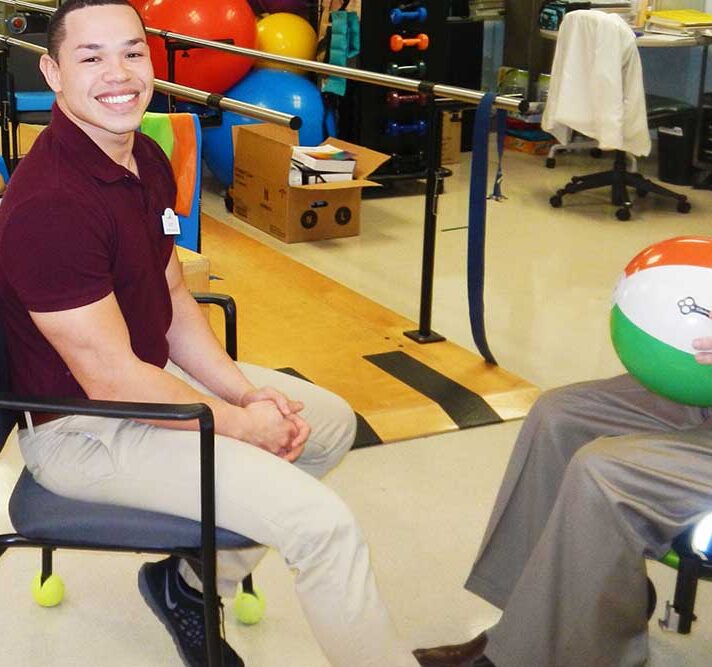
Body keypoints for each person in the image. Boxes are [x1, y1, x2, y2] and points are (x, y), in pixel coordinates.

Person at [0, 2, 419, 666]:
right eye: (91, 56)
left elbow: (171, 297)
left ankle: (192, 584)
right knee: (323, 527)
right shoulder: (51, 203)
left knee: (327, 421)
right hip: (84, 428)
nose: (119, 74)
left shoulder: (143, 153)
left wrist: (245, 396)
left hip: (146, 385)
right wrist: (231, 422)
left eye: (133, 52)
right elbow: (108, 378)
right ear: (51, 72)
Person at [414, 266, 712, 667]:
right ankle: (524, 631)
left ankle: (532, 658)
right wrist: (687, 277)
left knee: (606, 473)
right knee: (561, 416)